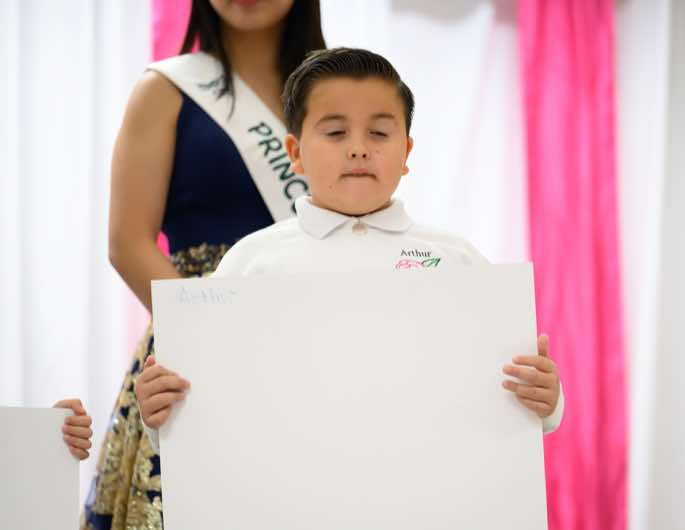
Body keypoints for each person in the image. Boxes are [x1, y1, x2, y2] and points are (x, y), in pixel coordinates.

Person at [135, 48, 564, 457]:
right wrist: (161, 413)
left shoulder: (457, 260)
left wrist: (547, 398)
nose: (358, 148)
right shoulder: (251, 262)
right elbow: (206, 399)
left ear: (406, 152)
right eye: (336, 132)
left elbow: (505, 393)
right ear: (295, 153)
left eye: (379, 132)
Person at [82, 1, 325, 528]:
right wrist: (210, 335)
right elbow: (128, 242)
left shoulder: (336, 89)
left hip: (315, 346)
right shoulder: (166, 90)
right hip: (194, 350)